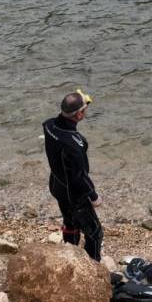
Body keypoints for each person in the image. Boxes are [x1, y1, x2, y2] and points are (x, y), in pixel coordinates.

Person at [43, 89, 103, 260]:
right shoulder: (75, 144)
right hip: (74, 194)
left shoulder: (48, 126)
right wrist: (93, 196)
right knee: (95, 233)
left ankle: (70, 257)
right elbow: (79, 176)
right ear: (79, 114)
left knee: (70, 223)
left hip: (56, 185)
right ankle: (93, 269)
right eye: (85, 109)